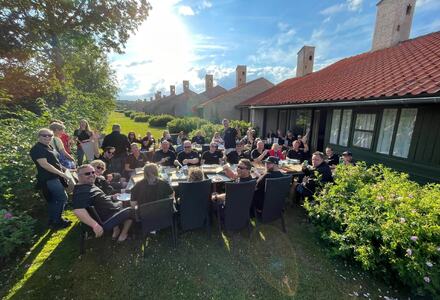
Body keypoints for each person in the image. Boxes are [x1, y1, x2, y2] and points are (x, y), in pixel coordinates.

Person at [72, 164, 134, 242]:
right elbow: (78, 210)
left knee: (121, 203)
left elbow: (99, 198)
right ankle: (123, 235)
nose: (92, 175)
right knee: (132, 210)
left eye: (93, 172)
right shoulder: (82, 192)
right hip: (108, 219)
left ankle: (116, 229)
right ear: (79, 176)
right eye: (87, 173)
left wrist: (111, 197)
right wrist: (95, 225)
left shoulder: (88, 185)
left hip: (109, 210)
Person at [29, 128, 71, 229]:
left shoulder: (49, 146)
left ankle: (54, 220)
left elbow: (55, 162)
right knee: (62, 198)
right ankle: (57, 221)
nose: (47, 137)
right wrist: (61, 174)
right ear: (39, 136)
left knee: (53, 200)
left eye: (50, 136)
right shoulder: (37, 148)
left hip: (55, 176)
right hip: (49, 178)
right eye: (44, 135)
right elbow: (45, 164)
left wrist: (66, 169)